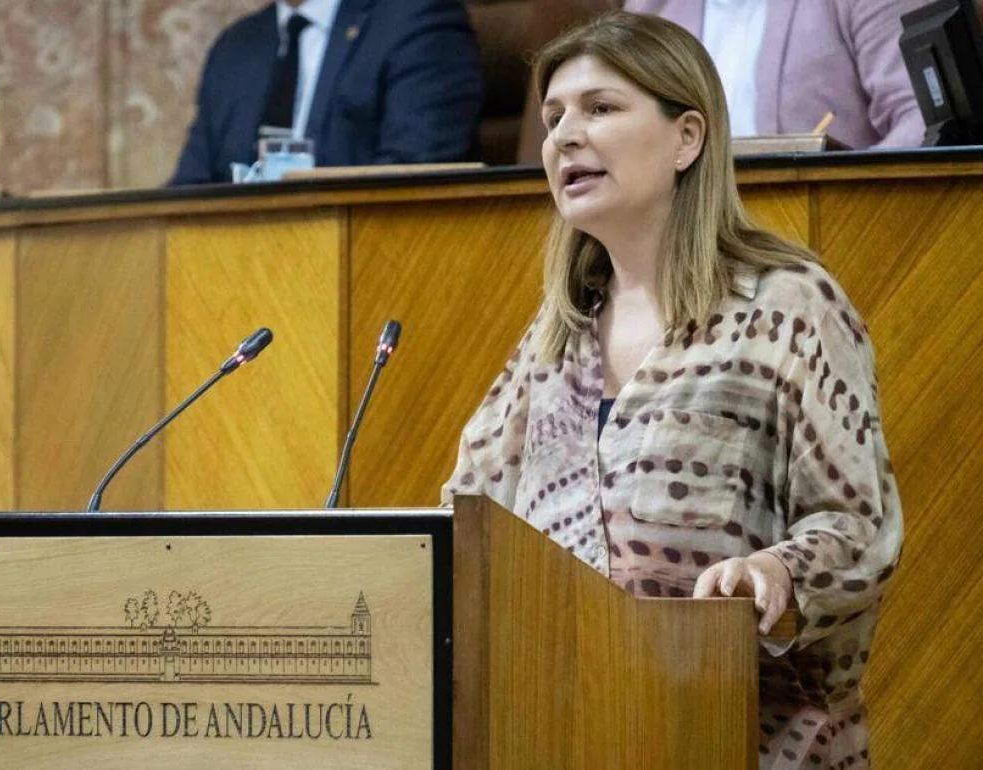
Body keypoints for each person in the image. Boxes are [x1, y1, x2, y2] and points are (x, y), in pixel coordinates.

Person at [442, 12, 902, 768]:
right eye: (554, 117)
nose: (562, 136)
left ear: (687, 138)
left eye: (599, 108)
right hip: (568, 736)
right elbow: (467, 524)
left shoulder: (788, 308)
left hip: (749, 739)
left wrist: (778, 572)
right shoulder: (556, 337)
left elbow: (860, 528)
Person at [170, 0, 484, 185]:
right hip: (235, 270)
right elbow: (188, 189)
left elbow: (410, 183)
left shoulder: (418, 18)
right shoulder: (237, 45)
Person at [624, 0, 926, 148]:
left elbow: (922, 118)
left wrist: (847, 195)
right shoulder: (650, 7)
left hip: (829, 235)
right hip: (680, 242)